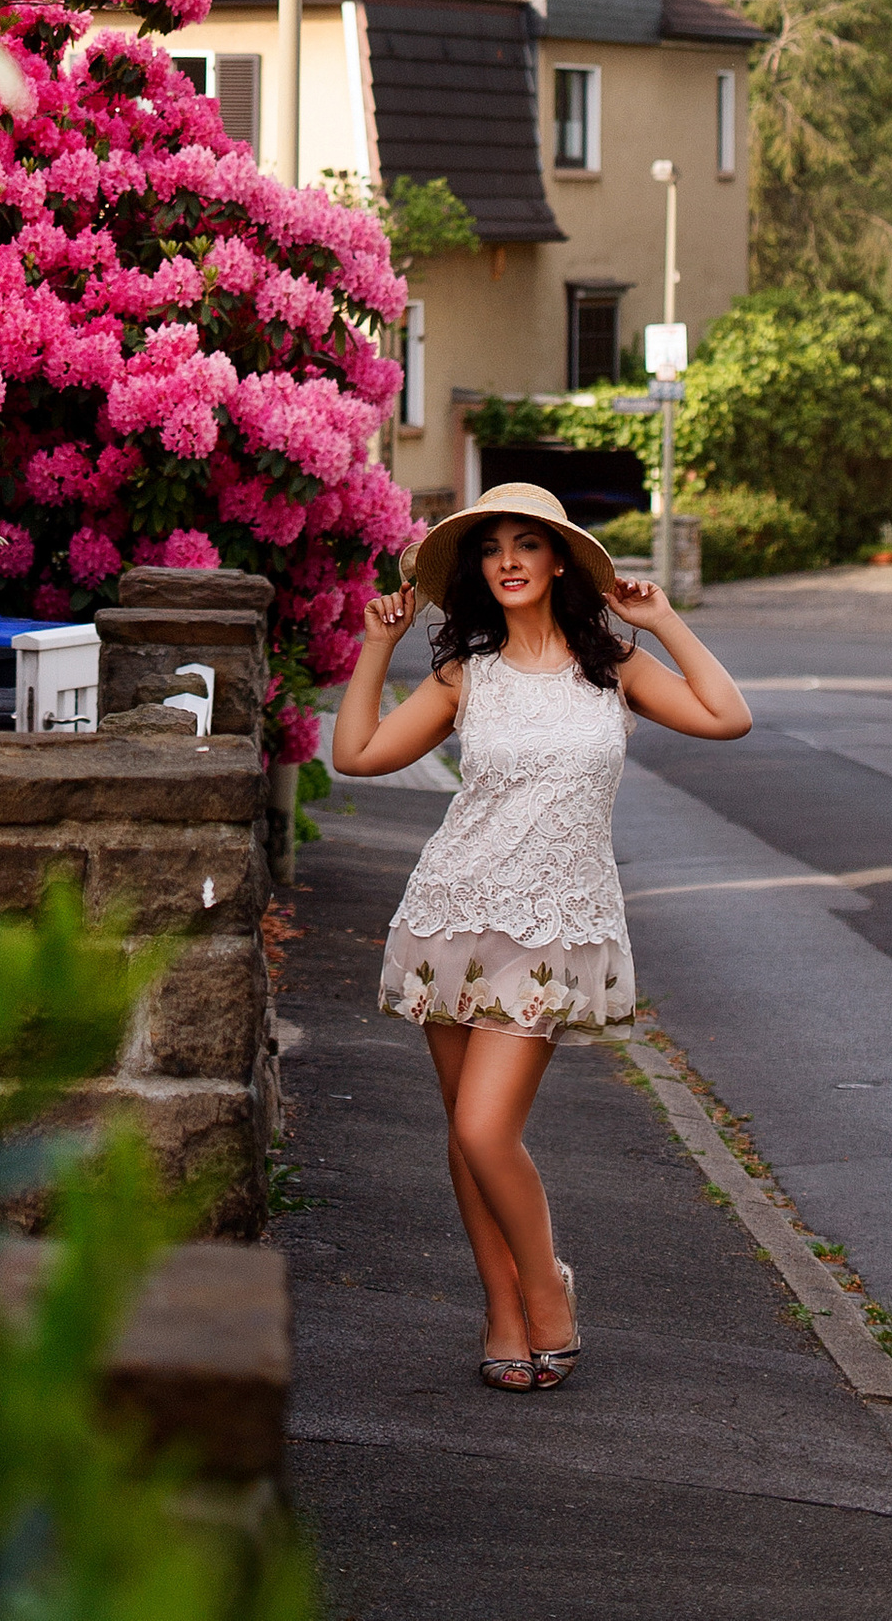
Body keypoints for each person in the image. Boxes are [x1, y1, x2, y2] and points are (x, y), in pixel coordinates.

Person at [329, 479, 751, 1393]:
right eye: (492, 548)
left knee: (487, 1131)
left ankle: (547, 1283)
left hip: (556, 927)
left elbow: (728, 716)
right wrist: (375, 651)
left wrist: (666, 620)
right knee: (464, 1134)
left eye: (528, 543)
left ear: (560, 559)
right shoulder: (463, 675)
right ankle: (501, 1310)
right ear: (480, 569)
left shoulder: (614, 669)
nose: (509, 560)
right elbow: (356, 755)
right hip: (453, 913)